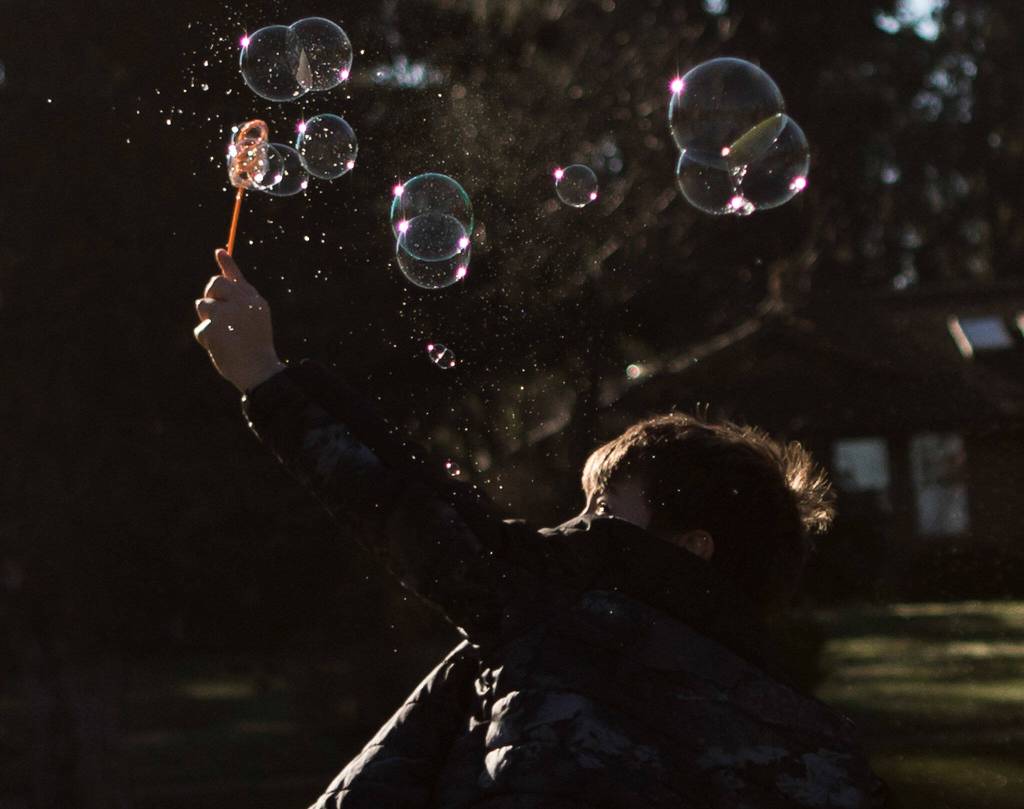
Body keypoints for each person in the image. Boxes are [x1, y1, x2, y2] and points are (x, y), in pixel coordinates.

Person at [194, 249, 887, 808]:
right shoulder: (815, 749)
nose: (574, 529)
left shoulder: (558, 617)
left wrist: (265, 376)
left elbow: (418, 512)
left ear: (689, 548)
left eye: (603, 513)